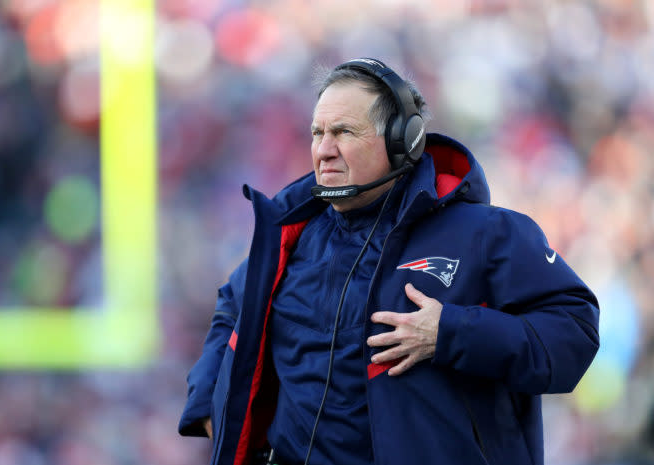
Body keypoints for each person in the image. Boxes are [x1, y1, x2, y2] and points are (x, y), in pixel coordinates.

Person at [178, 57, 599, 465]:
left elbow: (574, 332)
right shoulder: (292, 235)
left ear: (403, 141)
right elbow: (234, 307)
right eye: (316, 132)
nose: (323, 150)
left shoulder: (488, 235)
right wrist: (208, 398)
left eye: (343, 132)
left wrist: (452, 332)